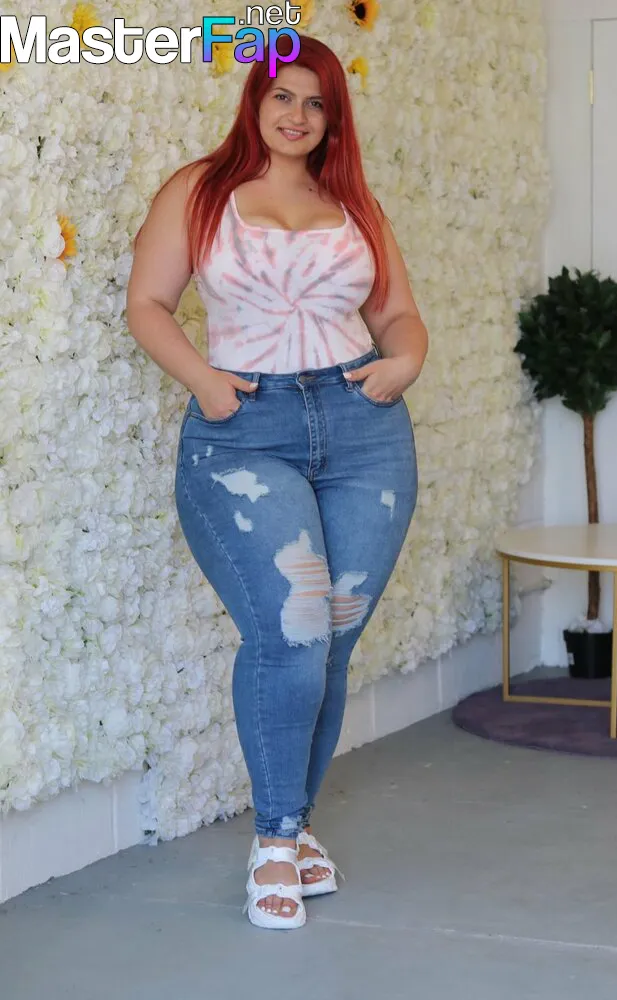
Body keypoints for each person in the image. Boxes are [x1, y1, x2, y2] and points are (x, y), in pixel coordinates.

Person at [126, 33, 428, 930]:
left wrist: (404, 361)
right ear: (254, 99)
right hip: (244, 431)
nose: (298, 115)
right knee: (291, 631)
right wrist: (204, 382)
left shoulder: (354, 203)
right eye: (283, 96)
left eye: (317, 102)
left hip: (363, 430)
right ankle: (273, 841)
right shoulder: (198, 190)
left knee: (331, 636)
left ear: (334, 117)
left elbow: (398, 313)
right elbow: (147, 303)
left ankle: (293, 829)